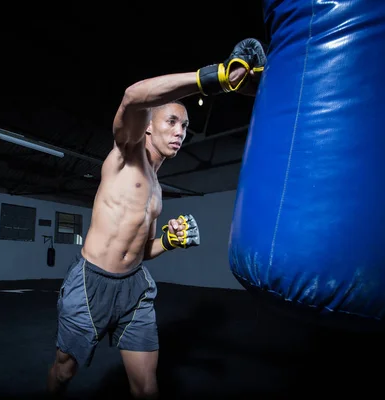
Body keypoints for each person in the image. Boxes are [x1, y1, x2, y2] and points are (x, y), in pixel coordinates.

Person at [47, 38, 267, 399]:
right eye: (172, 122)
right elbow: (134, 95)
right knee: (64, 369)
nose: (181, 131)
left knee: (146, 387)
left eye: (185, 126)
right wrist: (214, 77)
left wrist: (168, 241)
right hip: (91, 284)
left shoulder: (157, 189)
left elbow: (140, 251)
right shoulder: (124, 156)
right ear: (148, 127)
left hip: (134, 288)